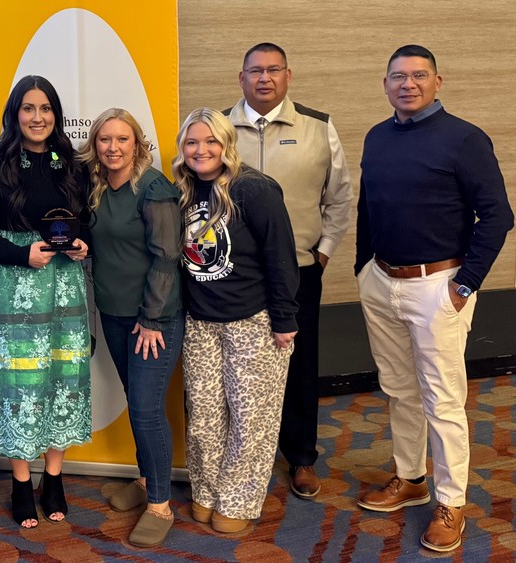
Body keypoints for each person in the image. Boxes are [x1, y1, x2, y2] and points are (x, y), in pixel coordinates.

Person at [354, 45, 514, 553]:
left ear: (438, 81)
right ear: (385, 85)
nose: (408, 84)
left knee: (442, 400)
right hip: (381, 281)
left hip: (438, 287)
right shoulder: (377, 137)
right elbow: (367, 204)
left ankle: (451, 501)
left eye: (419, 75)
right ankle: (411, 478)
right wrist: (363, 268)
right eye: (398, 77)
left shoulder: (465, 140)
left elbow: (498, 217)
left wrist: (465, 284)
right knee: (399, 389)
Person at [224, 42, 354, 499]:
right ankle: (235, 454)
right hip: (232, 275)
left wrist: (323, 252)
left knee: (298, 364)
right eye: (255, 71)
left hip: (299, 269)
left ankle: (300, 456)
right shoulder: (218, 129)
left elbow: (338, 197)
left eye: (273, 70)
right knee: (234, 369)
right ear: (241, 78)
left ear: (288, 75)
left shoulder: (318, 127)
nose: (264, 78)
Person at [0, 75, 91, 529]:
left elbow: (86, 221)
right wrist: (22, 254)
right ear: (14, 113)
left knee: (61, 376)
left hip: (63, 285)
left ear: (56, 114)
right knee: (17, 384)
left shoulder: (71, 162)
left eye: (46, 109)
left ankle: (53, 479)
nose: (38, 118)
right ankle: (21, 482)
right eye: (28, 109)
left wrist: (82, 246)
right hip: (9, 285)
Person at [175, 108, 298, 534]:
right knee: (205, 414)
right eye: (192, 142)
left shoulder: (254, 189)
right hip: (200, 323)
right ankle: (207, 493)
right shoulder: (183, 190)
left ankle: (240, 500)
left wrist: (285, 319)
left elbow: (281, 258)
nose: (201, 150)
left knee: (251, 418)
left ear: (227, 144)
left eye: (210, 141)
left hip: (254, 321)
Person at [81, 108, 182, 547]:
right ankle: (145, 480)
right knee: (137, 403)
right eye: (105, 139)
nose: (113, 147)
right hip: (115, 314)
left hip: (153, 320)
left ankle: (160, 504)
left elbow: (166, 257)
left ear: (137, 143)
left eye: (122, 139)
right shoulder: (99, 187)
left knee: (144, 410)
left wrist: (152, 318)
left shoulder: (154, 188)